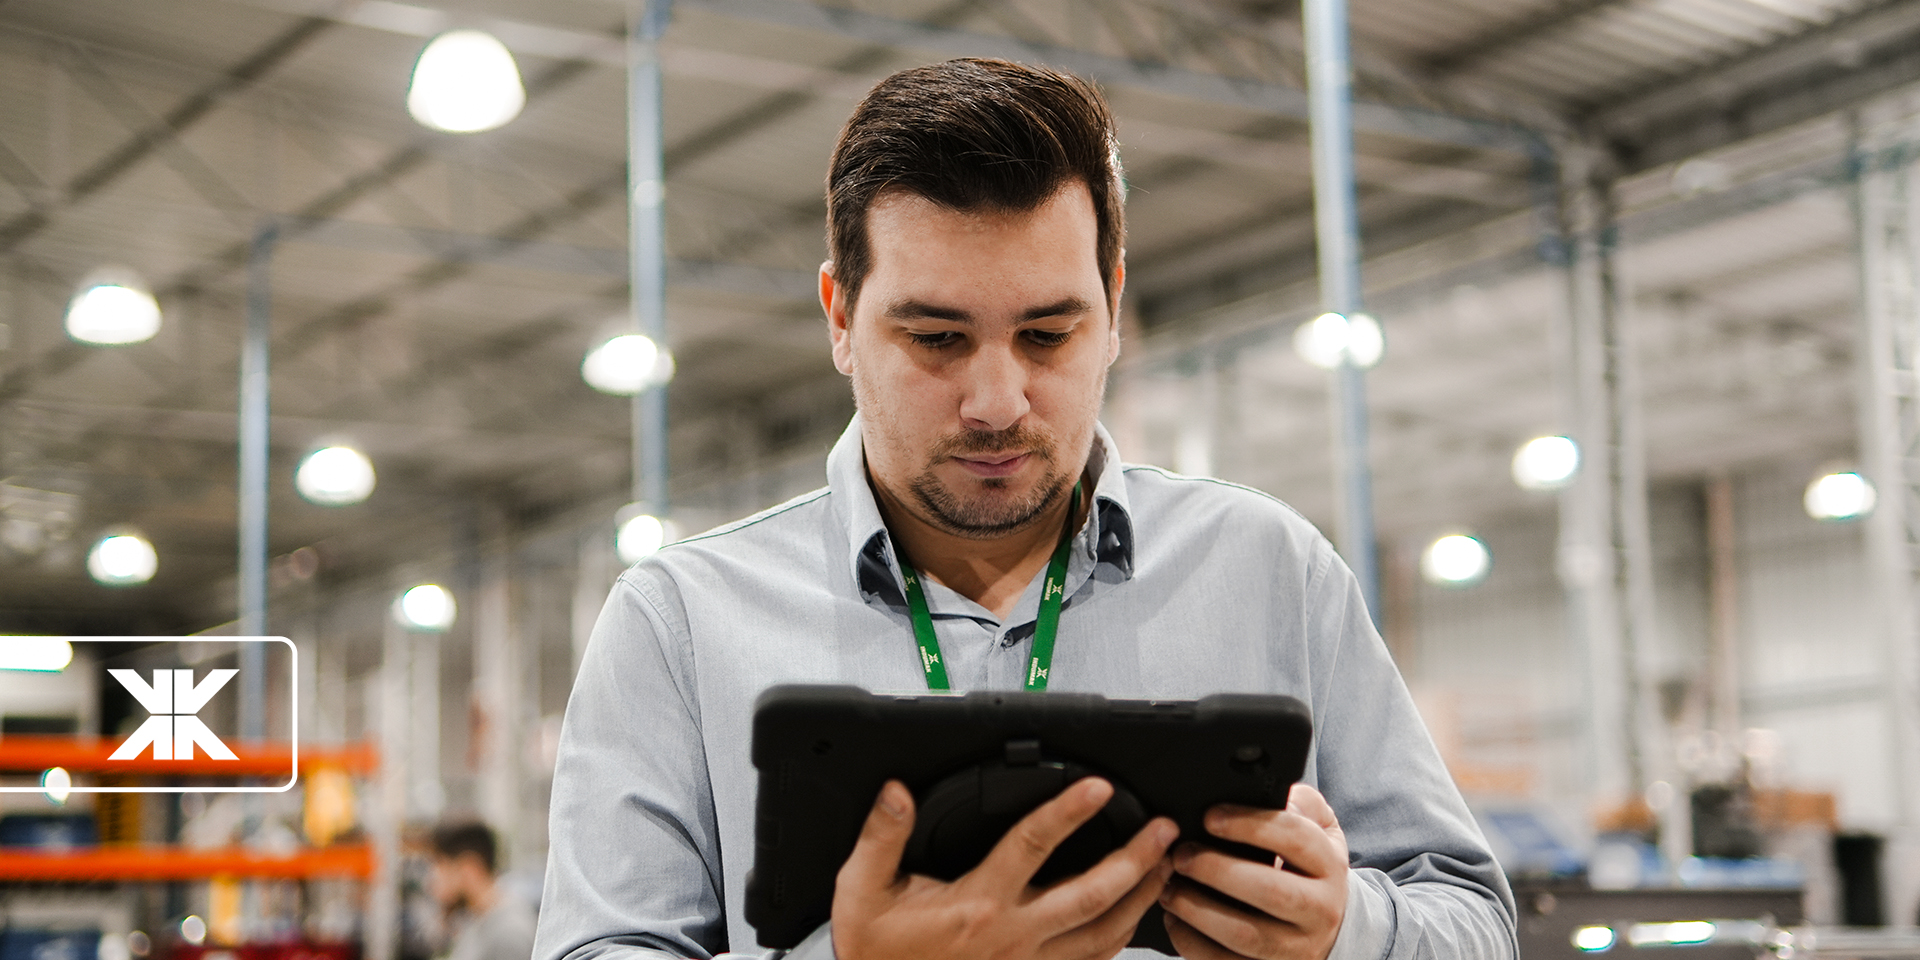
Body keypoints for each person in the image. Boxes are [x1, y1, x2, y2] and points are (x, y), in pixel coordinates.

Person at [533, 58, 1516, 960]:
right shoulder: (681, 623)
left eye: (1048, 334)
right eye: (936, 338)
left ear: (1114, 306)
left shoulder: (1269, 571)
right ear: (840, 317)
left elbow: (1476, 922)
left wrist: (1345, 929)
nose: (997, 401)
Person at [431, 820, 539, 960]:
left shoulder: (508, 934)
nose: (432, 880)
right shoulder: (478, 918)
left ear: (468, 868)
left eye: (440, 866)